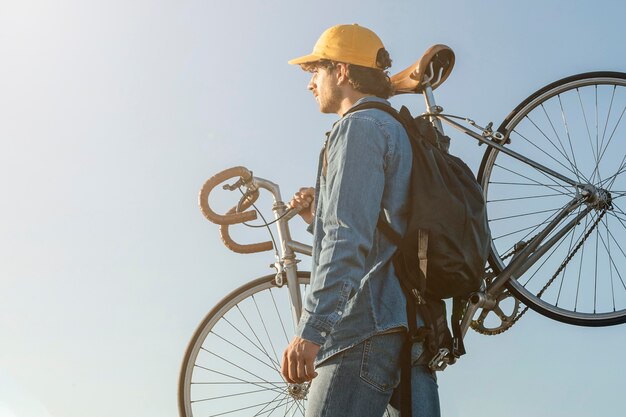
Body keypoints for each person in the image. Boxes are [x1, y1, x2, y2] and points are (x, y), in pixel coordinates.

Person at [280, 24, 441, 417]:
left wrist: (312, 329)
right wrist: (314, 219)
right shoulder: (396, 128)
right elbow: (383, 226)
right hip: (410, 328)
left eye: (316, 71)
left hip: (364, 329)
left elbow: (346, 238)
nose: (310, 84)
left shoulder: (359, 127)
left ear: (342, 71)